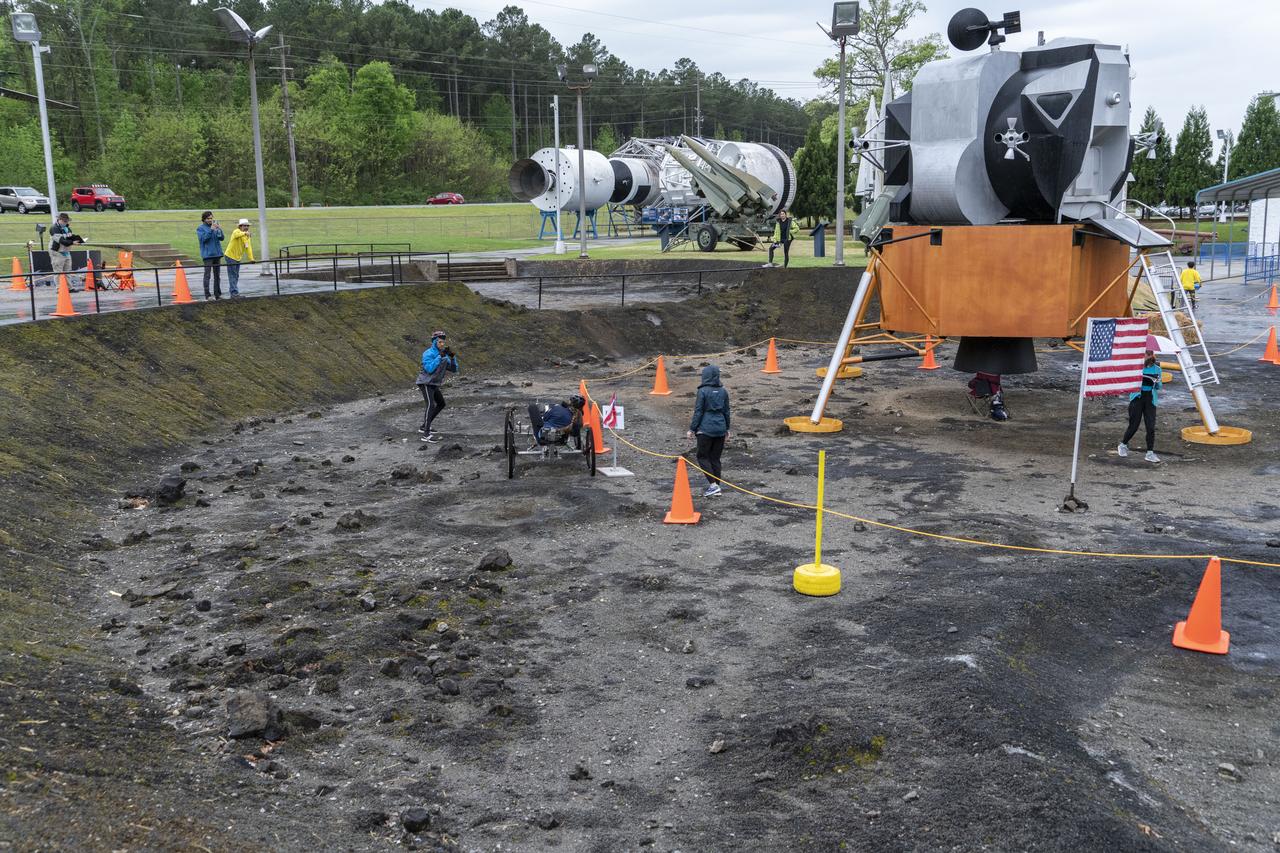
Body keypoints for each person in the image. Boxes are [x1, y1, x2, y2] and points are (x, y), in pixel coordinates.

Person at [686, 365, 731, 497]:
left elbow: (698, 411)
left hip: (706, 428)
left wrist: (692, 429)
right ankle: (716, 486)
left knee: (702, 457)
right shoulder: (723, 391)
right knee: (715, 459)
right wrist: (727, 428)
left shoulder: (703, 391)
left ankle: (713, 485)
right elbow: (727, 411)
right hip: (721, 427)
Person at [1118, 350, 1162, 463]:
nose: (1147, 357)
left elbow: (1159, 387)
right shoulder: (1136, 367)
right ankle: (1123, 444)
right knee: (1134, 425)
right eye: (1145, 355)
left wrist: (1156, 382)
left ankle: (1150, 453)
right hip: (1137, 397)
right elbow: (1128, 382)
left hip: (1150, 399)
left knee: (1151, 427)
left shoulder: (1157, 369)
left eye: (1149, 355)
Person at [415, 330, 458, 442]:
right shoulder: (428, 353)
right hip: (425, 382)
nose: (442, 344)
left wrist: (452, 358)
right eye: (440, 342)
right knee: (431, 405)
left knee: (441, 403)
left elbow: (454, 369)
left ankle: (424, 426)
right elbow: (429, 369)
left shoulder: (443, 355)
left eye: (443, 342)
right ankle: (426, 435)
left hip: (434, 383)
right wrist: (439, 357)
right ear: (434, 342)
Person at [49, 213, 84, 290]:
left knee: (67, 271)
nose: (66, 223)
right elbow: (62, 241)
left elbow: (69, 238)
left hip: (66, 252)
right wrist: (72, 242)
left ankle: (69, 287)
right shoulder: (54, 228)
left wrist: (77, 240)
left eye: (67, 221)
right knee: (58, 271)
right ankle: (59, 288)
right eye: (65, 221)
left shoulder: (67, 228)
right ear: (59, 220)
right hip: (57, 252)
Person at [196, 211, 225, 300]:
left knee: (217, 276)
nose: (210, 220)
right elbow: (203, 239)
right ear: (204, 219)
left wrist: (219, 229)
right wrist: (211, 230)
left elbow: (222, 238)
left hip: (217, 254)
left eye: (211, 218)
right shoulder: (200, 228)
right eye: (208, 218)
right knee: (207, 275)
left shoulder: (214, 226)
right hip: (208, 255)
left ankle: (218, 295)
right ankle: (207, 295)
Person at [223, 218, 255, 299]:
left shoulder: (246, 236)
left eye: (248, 226)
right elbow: (237, 235)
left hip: (237, 257)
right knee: (232, 275)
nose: (246, 227)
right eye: (245, 225)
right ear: (240, 226)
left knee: (236, 275)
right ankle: (234, 293)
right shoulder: (236, 231)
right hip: (230, 256)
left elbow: (248, 248)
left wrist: (251, 258)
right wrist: (245, 234)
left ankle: (234, 292)